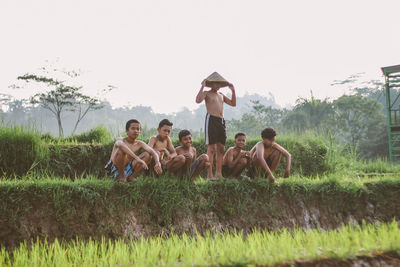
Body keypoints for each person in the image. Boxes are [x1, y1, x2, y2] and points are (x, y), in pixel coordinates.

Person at [195, 72, 236, 179]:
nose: (218, 86)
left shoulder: (221, 95)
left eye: (219, 84)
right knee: (211, 148)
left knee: (221, 148)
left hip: (221, 121)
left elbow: (233, 103)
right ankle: (210, 175)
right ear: (211, 84)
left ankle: (219, 174)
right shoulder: (206, 93)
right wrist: (202, 86)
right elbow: (198, 100)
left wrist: (233, 90)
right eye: (216, 83)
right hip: (211, 120)